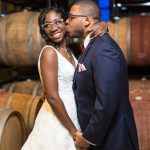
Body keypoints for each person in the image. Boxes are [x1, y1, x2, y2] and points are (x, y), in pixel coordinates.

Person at [21, 7, 108, 150]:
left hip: (71, 113)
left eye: (57, 22)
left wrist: (104, 25)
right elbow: (53, 97)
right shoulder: (49, 52)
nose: (53, 28)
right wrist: (74, 133)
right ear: (43, 31)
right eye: (47, 25)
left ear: (66, 24)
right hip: (57, 119)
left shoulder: (70, 51)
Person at [66, 0, 139, 150]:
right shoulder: (93, 45)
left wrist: (88, 138)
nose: (67, 22)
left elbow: (107, 100)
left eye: (71, 17)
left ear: (87, 20)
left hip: (113, 140)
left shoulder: (103, 49)